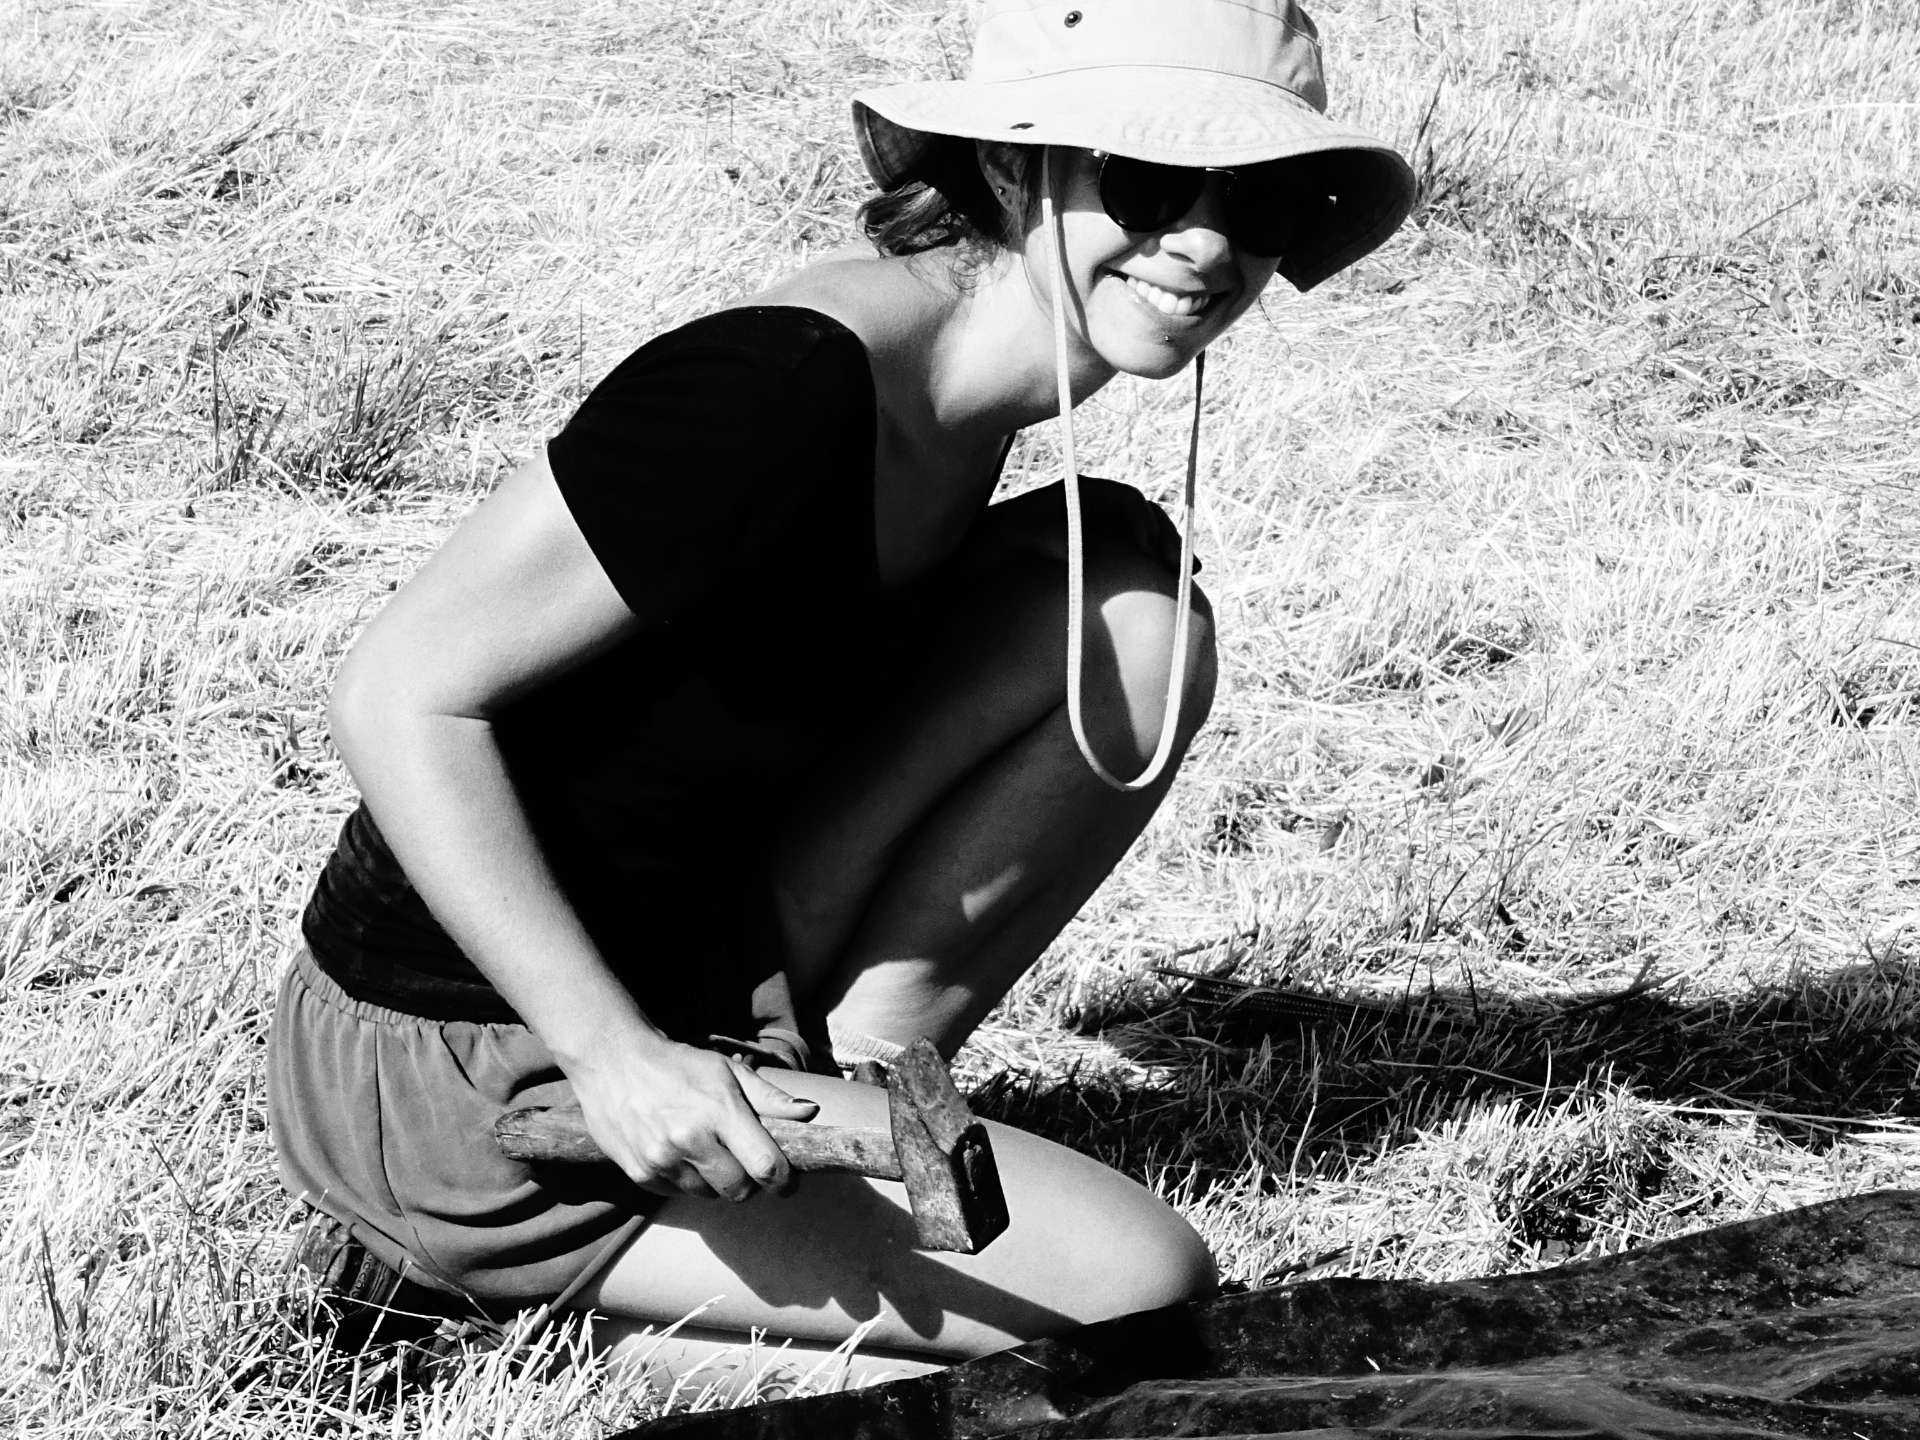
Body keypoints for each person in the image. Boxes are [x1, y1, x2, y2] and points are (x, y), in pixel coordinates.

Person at [267, 0, 1414, 1388]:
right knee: (1140, 1287)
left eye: (1264, 200)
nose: (1211, 246)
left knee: (1125, 607)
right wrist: (615, 1057)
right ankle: (531, 1315)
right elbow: (397, 694)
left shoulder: (977, 388)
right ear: (1018, 170)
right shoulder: (774, 395)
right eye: (1154, 180)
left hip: (709, 962)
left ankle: (840, 1093)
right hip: (467, 1052)